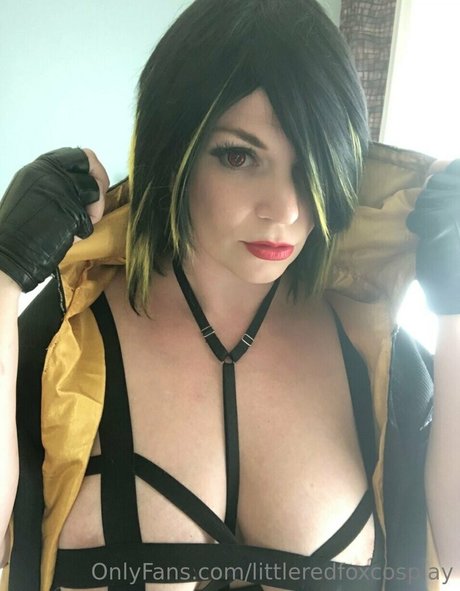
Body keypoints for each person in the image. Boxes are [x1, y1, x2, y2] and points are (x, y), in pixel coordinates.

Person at [0, 0, 459, 590]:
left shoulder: (382, 366)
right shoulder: (65, 342)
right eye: (239, 156)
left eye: (312, 162)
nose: (285, 209)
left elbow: (451, 554)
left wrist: (454, 306)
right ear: (175, 152)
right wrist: (2, 274)